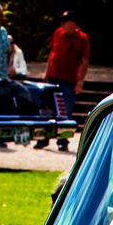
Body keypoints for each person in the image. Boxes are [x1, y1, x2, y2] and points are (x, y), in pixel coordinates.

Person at [43, 9, 87, 149]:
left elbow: (85, 61)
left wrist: (80, 81)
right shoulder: (58, 33)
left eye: (65, 21)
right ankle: (43, 139)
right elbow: (52, 52)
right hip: (52, 77)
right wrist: (46, 73)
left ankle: (63, 142)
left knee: (66, 111)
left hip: (69, 81)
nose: (61, 24)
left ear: (73, 24)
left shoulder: (83, 38)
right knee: (48, 109)